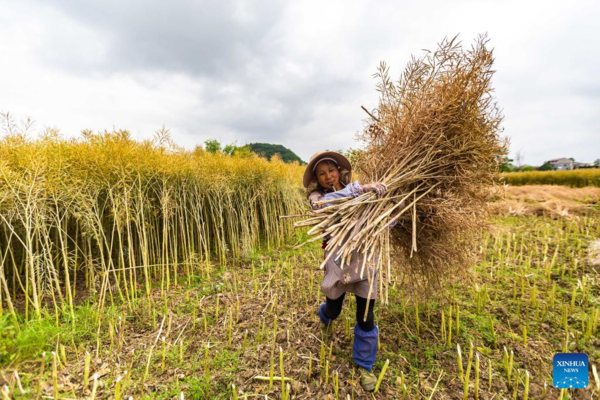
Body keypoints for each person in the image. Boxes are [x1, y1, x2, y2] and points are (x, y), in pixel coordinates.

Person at [303, 151, 387, 392]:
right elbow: (323, 206)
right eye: (322, 173)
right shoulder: (319, 197)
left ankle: (364, 364)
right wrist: (361, 190)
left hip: (364, 259)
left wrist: (388, 207)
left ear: (339, 170)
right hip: (338, 261)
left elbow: (379, 218)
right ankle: (325, 315)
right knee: (335, 309)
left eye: (331, 170)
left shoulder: (359, 190)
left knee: (366, 316)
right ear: (317, 179)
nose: (328, 176)